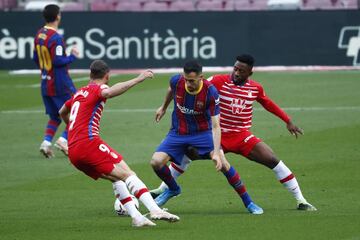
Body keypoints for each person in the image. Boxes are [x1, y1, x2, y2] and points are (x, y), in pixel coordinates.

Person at [152, 54, 317, 211]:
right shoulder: (218, 81)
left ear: (250, 72)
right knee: (186, 154)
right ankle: (163, 189)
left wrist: (287, 120)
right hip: (215, 135)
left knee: (272, 159)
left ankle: (301, 200)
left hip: (241, 136)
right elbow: (198, 88)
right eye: (235, 69)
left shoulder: (255, 88)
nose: (237, 73)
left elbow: (268, 104)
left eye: (241, 71)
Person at [58, 60, 180, 227]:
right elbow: (107, 93)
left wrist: (73, 133)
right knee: (128, 174)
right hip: (89, 143)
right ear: (107, 76)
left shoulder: (80, 92)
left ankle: (137, 218)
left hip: (74, 150)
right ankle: (154, 210)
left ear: (90, 75)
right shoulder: (97, 89)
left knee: (116, 179)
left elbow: (62, 111)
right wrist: (138, 79)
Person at [150, 60, 263, 214]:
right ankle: (173, 189)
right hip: (178, 132)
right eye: (186, 80)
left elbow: (216, 126)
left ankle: (248, 203)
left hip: (202, 133)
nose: (188, 84)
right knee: (156, 162)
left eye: (192, 81)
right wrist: (163, 107)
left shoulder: (210, 92)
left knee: (223, 164)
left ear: (201, 77)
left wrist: (216, 152)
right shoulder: (177, 80)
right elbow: (171, 89)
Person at [33, 4, 78, 158]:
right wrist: (72, 56)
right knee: (77, 113)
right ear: (58, 16)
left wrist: (46, 71)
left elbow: (35, 58)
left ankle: (46, 144)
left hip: (45, 82)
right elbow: (58, 61)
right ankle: (63, 140)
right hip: (60, 83)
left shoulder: (40, 34)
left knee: (55, 116)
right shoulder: (55, 37)